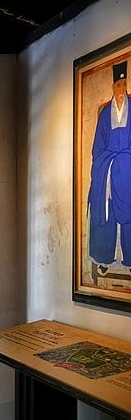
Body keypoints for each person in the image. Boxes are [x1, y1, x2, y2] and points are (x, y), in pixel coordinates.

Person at [88, 61, 131, 274]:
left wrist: (124, 162)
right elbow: (97, 149)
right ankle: (104, 257)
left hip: (128, 172)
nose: (121, 90)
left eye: (124, 85)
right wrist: (110, 163)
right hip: (107, 170)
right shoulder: (105, 114)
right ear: (113, 87)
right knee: (105, 210)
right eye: (117, 86)